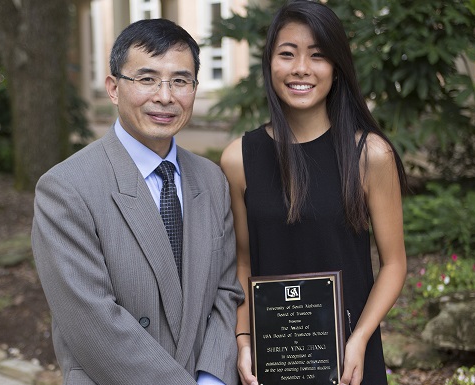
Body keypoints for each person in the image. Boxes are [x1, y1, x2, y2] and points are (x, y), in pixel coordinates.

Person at [31, 18, 243, 385]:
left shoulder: (212, 181)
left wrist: (213, 376)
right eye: (146, 79)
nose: (165, 96)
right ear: (113, 88)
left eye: (180, 81)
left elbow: (226, 292)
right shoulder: (65, 189)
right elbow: (93, 323)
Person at [220, 1, 408, 385]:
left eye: (318, 56)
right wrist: (243, 341)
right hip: (271, 363)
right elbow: (241, 263)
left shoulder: (369, 155)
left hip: (348, 360)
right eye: (287, 54)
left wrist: (359, 339)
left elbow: (394, 265)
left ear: (336, 69)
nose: (301, 68)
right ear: (269, 63)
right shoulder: (239, 158)